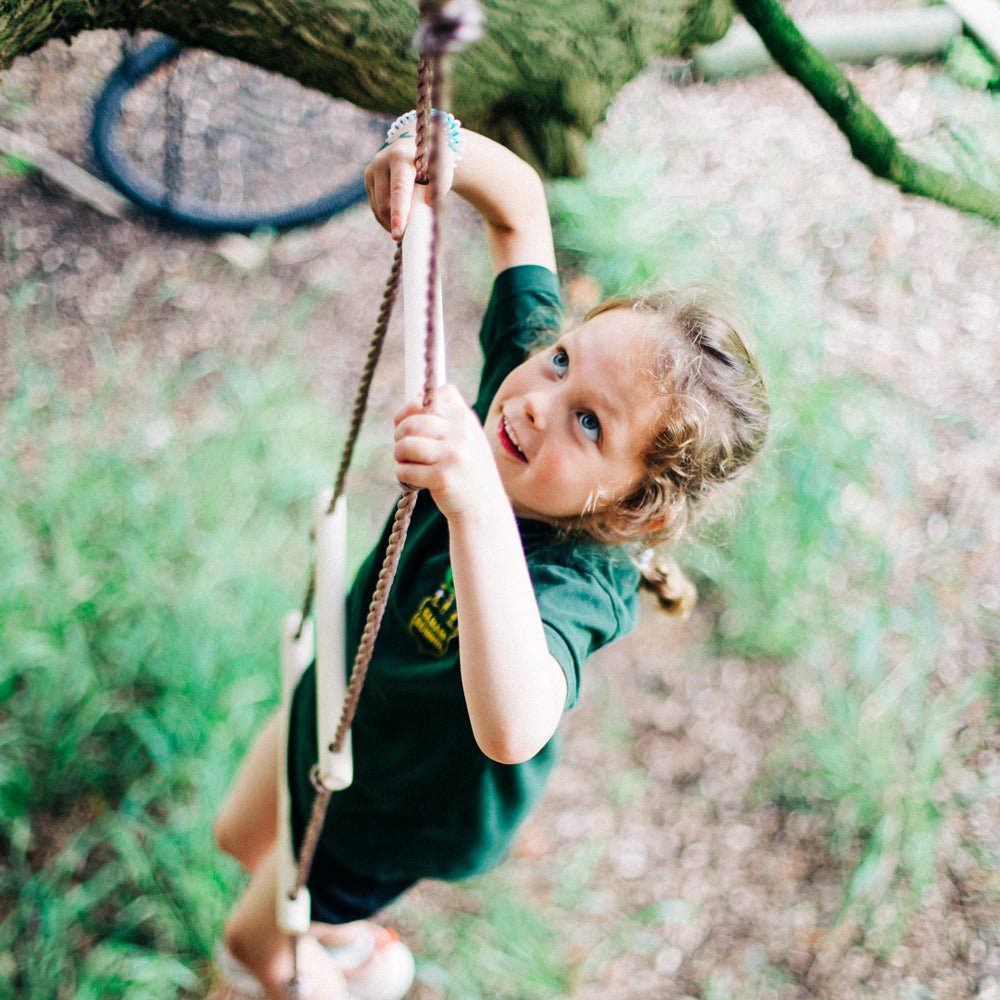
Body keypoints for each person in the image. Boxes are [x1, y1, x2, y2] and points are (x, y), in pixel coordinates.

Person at [210, 117, 769, 1000]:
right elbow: (520, 213)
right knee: (238, 839)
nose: (542, 402)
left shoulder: (577, 580)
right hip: (355, 697)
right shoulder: (532, 385)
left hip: (397, 801)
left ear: (629, 507)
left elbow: (514, 726)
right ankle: (354, 951)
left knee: (253, 948)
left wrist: (472, 502)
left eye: (590, 422)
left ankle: (336, 974)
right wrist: (432, 146)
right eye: (559, 361)